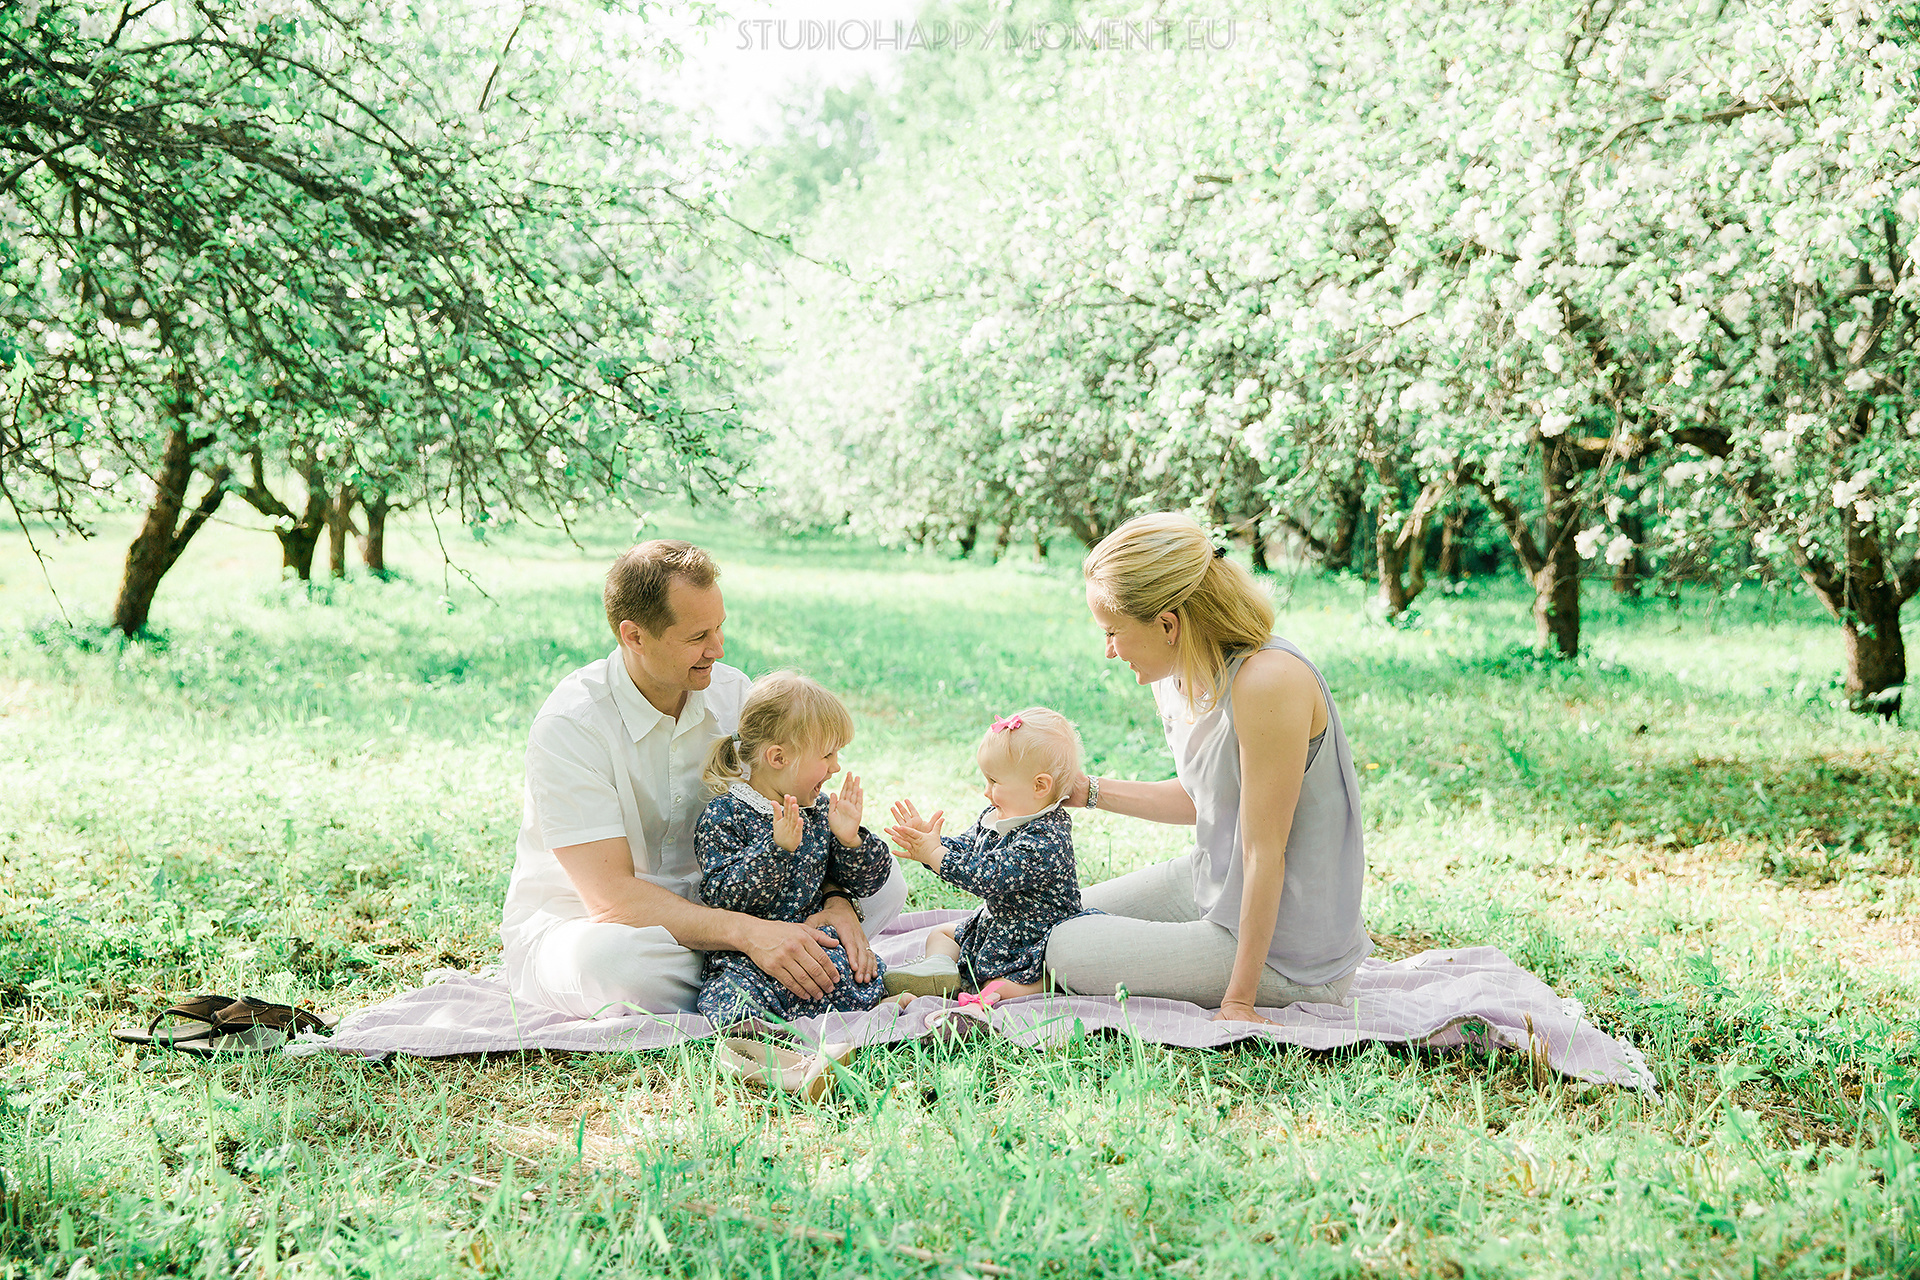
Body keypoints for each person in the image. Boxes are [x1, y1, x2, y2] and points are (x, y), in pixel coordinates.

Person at [500, 540, 908, 1019]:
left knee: (887, 887)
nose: (718, 648)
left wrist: (836, 901)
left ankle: (771, 972)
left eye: (719, 627)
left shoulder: (733, 693)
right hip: (607, 925)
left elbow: (796, 812)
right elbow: (611, 900)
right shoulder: (572, 726)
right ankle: (789, 972)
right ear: (635, 636)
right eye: (698, 636)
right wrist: (748, 934)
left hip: (741, 894)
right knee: (613, 966)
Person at [1044, 513, 1371, 1023]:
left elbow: (1265, 853)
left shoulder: (1269, 680)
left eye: (1112, 632)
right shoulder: (1173, 673)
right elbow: (1205, 800)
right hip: (1214, 885)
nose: (1108, 651)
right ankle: (949, 954)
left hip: (1289, 953)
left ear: (1168, 624)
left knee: (1062, 949)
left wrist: (1238, 1001)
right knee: (1045, 916)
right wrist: (1086, 790)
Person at [693, 671, 895, 1027]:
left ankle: (882, 999)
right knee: (734, 995)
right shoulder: (726, 814)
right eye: (827, 755)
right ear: (778, 757)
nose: (836, 767)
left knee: (851, 969)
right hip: (750, 958)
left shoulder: (817, 811)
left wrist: (850, 840)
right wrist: (776, 850)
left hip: (814, 946)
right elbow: (721, 895)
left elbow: (867, 883)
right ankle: (759, 1038)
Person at [883, 707, 1096, 1000]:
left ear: (1039, 786)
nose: (986, 791)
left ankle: (1045, 982)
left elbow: (988, 876)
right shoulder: (997, 815)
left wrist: (936, 855)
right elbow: (968, 849)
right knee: (941, 934)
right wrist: (932, 844)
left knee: (998, 985)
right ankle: (939, 970)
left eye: (994, 782)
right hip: (998, 926)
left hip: (1035, 937)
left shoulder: (1046, 840)